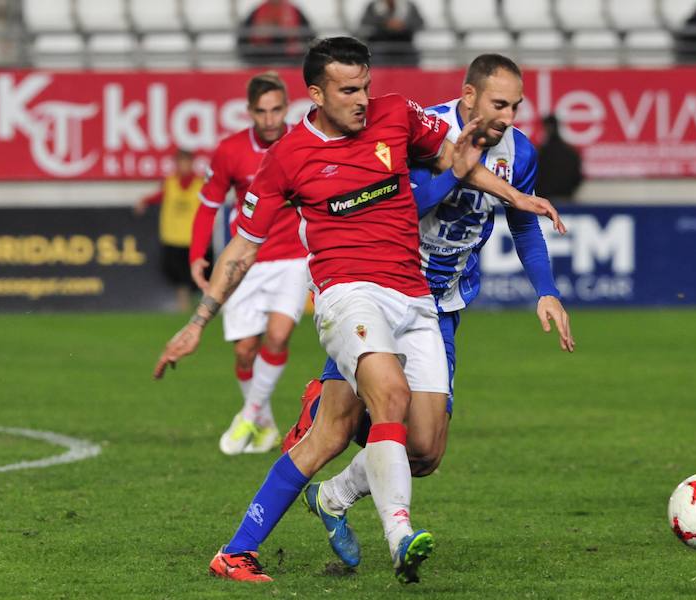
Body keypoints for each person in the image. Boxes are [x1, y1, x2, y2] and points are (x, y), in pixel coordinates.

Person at [153, 37, 563, 584]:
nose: (362, 99)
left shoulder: (395, 115)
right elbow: (243, 247)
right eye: (349, 90)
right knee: (389, 394)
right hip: (348, 293)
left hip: (417, 297)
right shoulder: (287, 159)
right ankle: (399, 536)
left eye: (365, 85)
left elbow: (453, 159)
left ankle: (240, 548)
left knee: (398, 443)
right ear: (316, 94)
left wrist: (517, 198)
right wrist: (198, 321)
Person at [285, 54, 574, 568]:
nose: (508, 116)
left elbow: (523, 223)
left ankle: (333, 495)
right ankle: (328, 411)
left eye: (517, 106)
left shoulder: (520, 153)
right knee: (362, 415)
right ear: (469, 97)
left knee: (426, 451)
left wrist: (545, 290)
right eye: (498, 103)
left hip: (441, 304)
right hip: (381, 289)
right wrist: (458, 171)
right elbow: (398, 204)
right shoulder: (424, 132)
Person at [188, 72, 307, 456]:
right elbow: (208, 205)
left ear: (287, 107)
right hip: (246, 260)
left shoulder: (303, 142)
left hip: (293, 258)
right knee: (244, 351)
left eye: (276, 110)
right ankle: (266, 424)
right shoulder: (230, 151)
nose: (270, 119)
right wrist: (197, 255)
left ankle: (248, 415)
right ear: (250, 112)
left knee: (278, 335)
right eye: (262, 112)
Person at [134, 148, 203, 312]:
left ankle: (192, 301)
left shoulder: (201, 184)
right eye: (180, 162)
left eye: (186, 162)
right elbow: (160, 196)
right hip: (172, 236)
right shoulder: (170, 182)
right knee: (173, 270)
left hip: (193, 237)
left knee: (194, 273)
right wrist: (144, 201)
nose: (183, 166)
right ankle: (184, 303)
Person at [237, 0, 314, 66]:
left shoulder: (295, 12)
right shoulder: (257, 12)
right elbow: (242, 39)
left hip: (291, 61)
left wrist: (298, 38)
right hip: (261, 60)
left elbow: (310, 36)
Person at [535, 114, 583, 203]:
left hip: (545, 202)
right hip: (566, 200)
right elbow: (577, 178)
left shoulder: (540, 153)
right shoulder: (570, 152)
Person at [358, 0, 424, 66]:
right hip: (379, 46)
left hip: (404, 46)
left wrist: (403, 25)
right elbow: (365, 24)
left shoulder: (409, 6)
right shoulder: (372, 7)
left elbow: (419, 23)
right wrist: (384, 24)